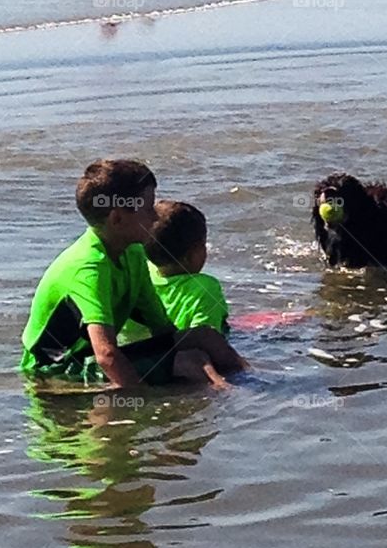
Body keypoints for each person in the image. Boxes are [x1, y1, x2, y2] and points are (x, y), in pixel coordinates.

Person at [20, 159, 247, 390]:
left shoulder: (133, 253)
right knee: (190, 362)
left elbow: (162, 328)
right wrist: (143, 403)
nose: (156, 218)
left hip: (93, 358)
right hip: (58, 369)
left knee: (205, 337)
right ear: (117, 219)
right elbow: (106, 355)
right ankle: (229, 398)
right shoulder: (88, 270)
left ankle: (256, 383)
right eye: (148, 209)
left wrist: (191, 347)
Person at [145, 200, 230, 332]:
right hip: (185, 347)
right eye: (203, 245)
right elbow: (206, 339)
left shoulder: (143, 271)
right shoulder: (205, 288)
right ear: (190, 256)